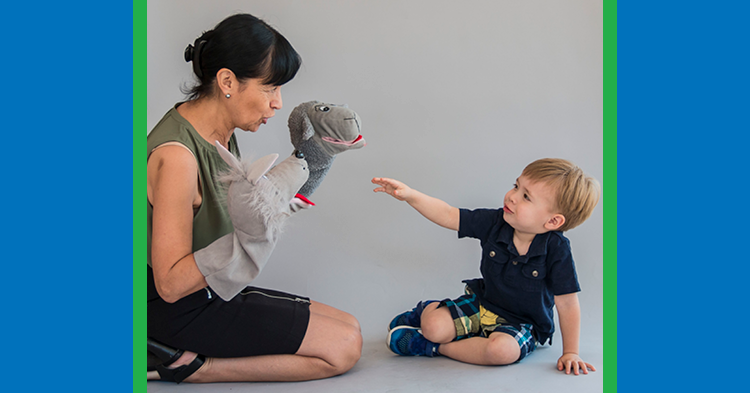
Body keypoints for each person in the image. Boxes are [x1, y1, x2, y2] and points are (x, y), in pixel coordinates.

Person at [147, 13, 361, 383]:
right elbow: (169, 284)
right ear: (227, 81)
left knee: (350, 325)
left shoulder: (217, 133)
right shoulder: (178, 157)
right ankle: (188, 365)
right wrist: (250, 238)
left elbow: (244, 214)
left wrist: (308, 169)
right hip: (173, 310)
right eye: (269, 88)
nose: (277, 104)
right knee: (343, 346)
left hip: (210, 291)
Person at [372, 158, 600, 375]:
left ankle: (429, 346)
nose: (512, 197)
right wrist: (411, 195)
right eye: (516, 186)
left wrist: (571, 352)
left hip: (523, 323)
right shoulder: (495, 222)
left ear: (552, 221)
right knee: (434, 327)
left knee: (501, 352)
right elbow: (450, 215)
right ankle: (425, 315)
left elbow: (568, 303)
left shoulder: (557, 249)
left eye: (526, 197)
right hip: (483, 305)